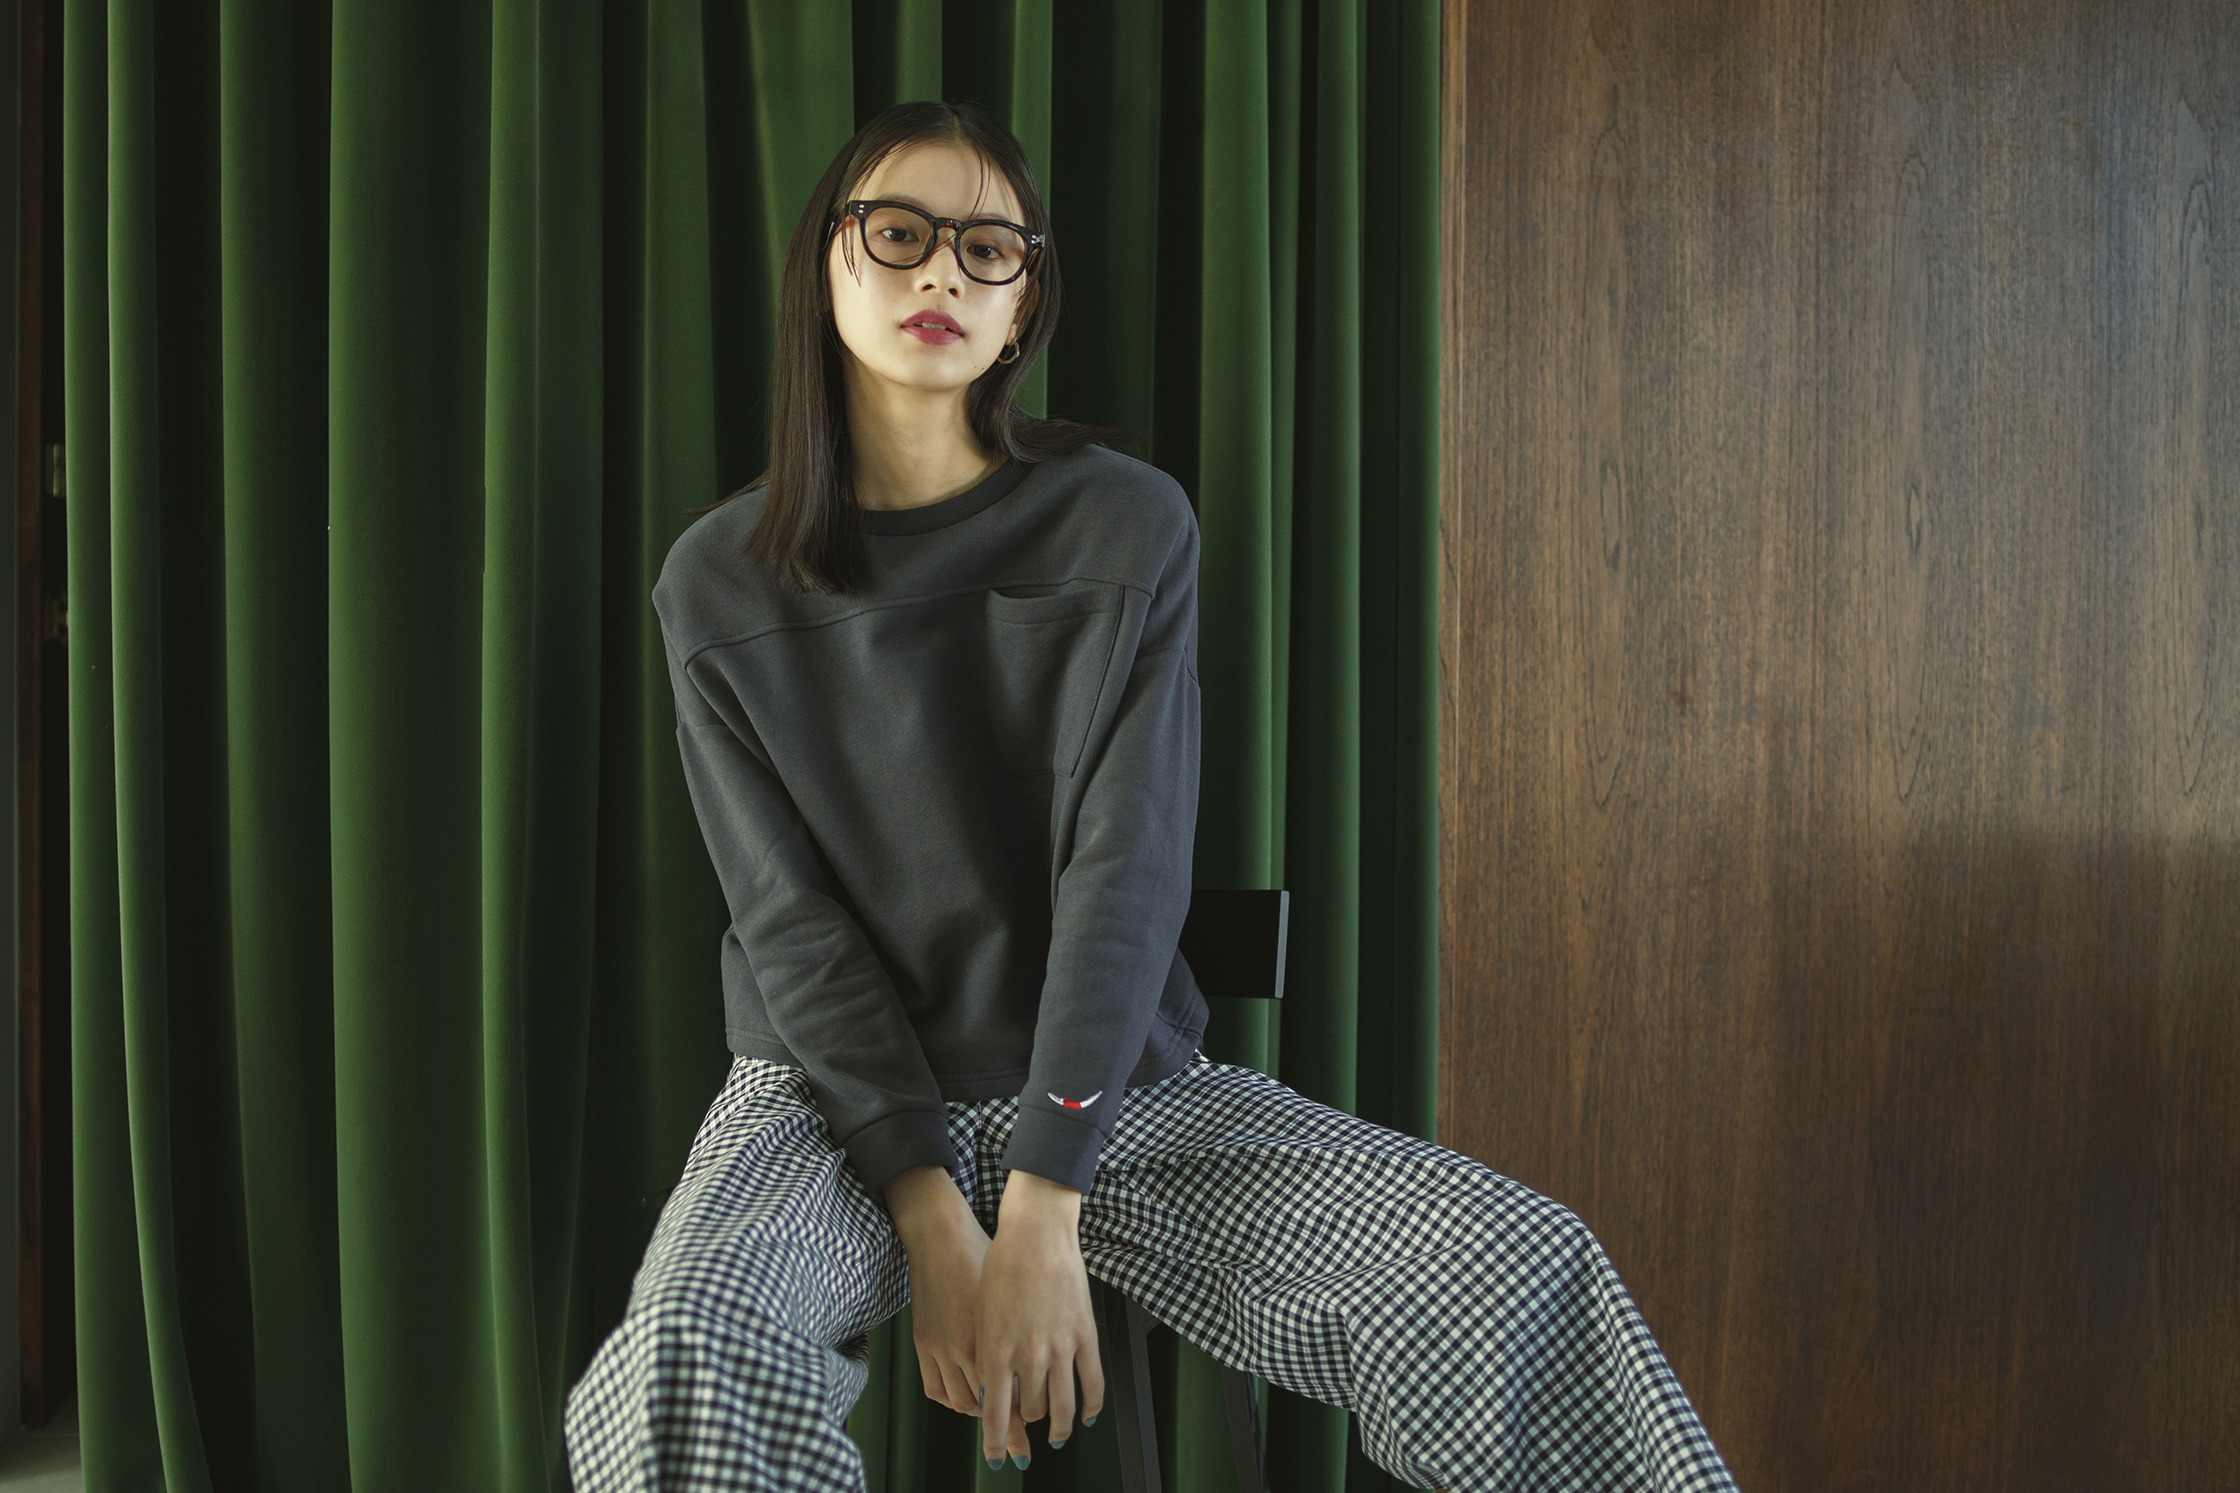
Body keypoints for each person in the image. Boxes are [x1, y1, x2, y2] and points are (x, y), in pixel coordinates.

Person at [563, 98, 1738, 1492]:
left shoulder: (1124, 520)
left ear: (1023, 305)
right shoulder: (716, 580)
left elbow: (1126, 867)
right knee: (686, 1349)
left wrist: (1045, 1200)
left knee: (1514, 1267)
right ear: (828, 265)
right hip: (822, 1103)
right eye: (899, 232)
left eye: (988, 247)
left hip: (1115, 1086)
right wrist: (932, 1215)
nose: (943, 272)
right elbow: (789, 922)